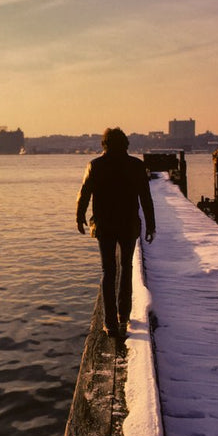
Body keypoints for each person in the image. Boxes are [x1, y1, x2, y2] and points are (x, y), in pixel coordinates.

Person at [76, 127, 155, 337]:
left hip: (104, 225)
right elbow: (146, 198)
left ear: (104, 145)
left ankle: (109, 322)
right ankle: (124, 314)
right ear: (126, 145)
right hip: (128, 224)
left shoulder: (95, 166)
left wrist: (79, 217)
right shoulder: (136, 166)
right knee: (126, 267)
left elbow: (84, 194)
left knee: (108, 271)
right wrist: (151, 225)